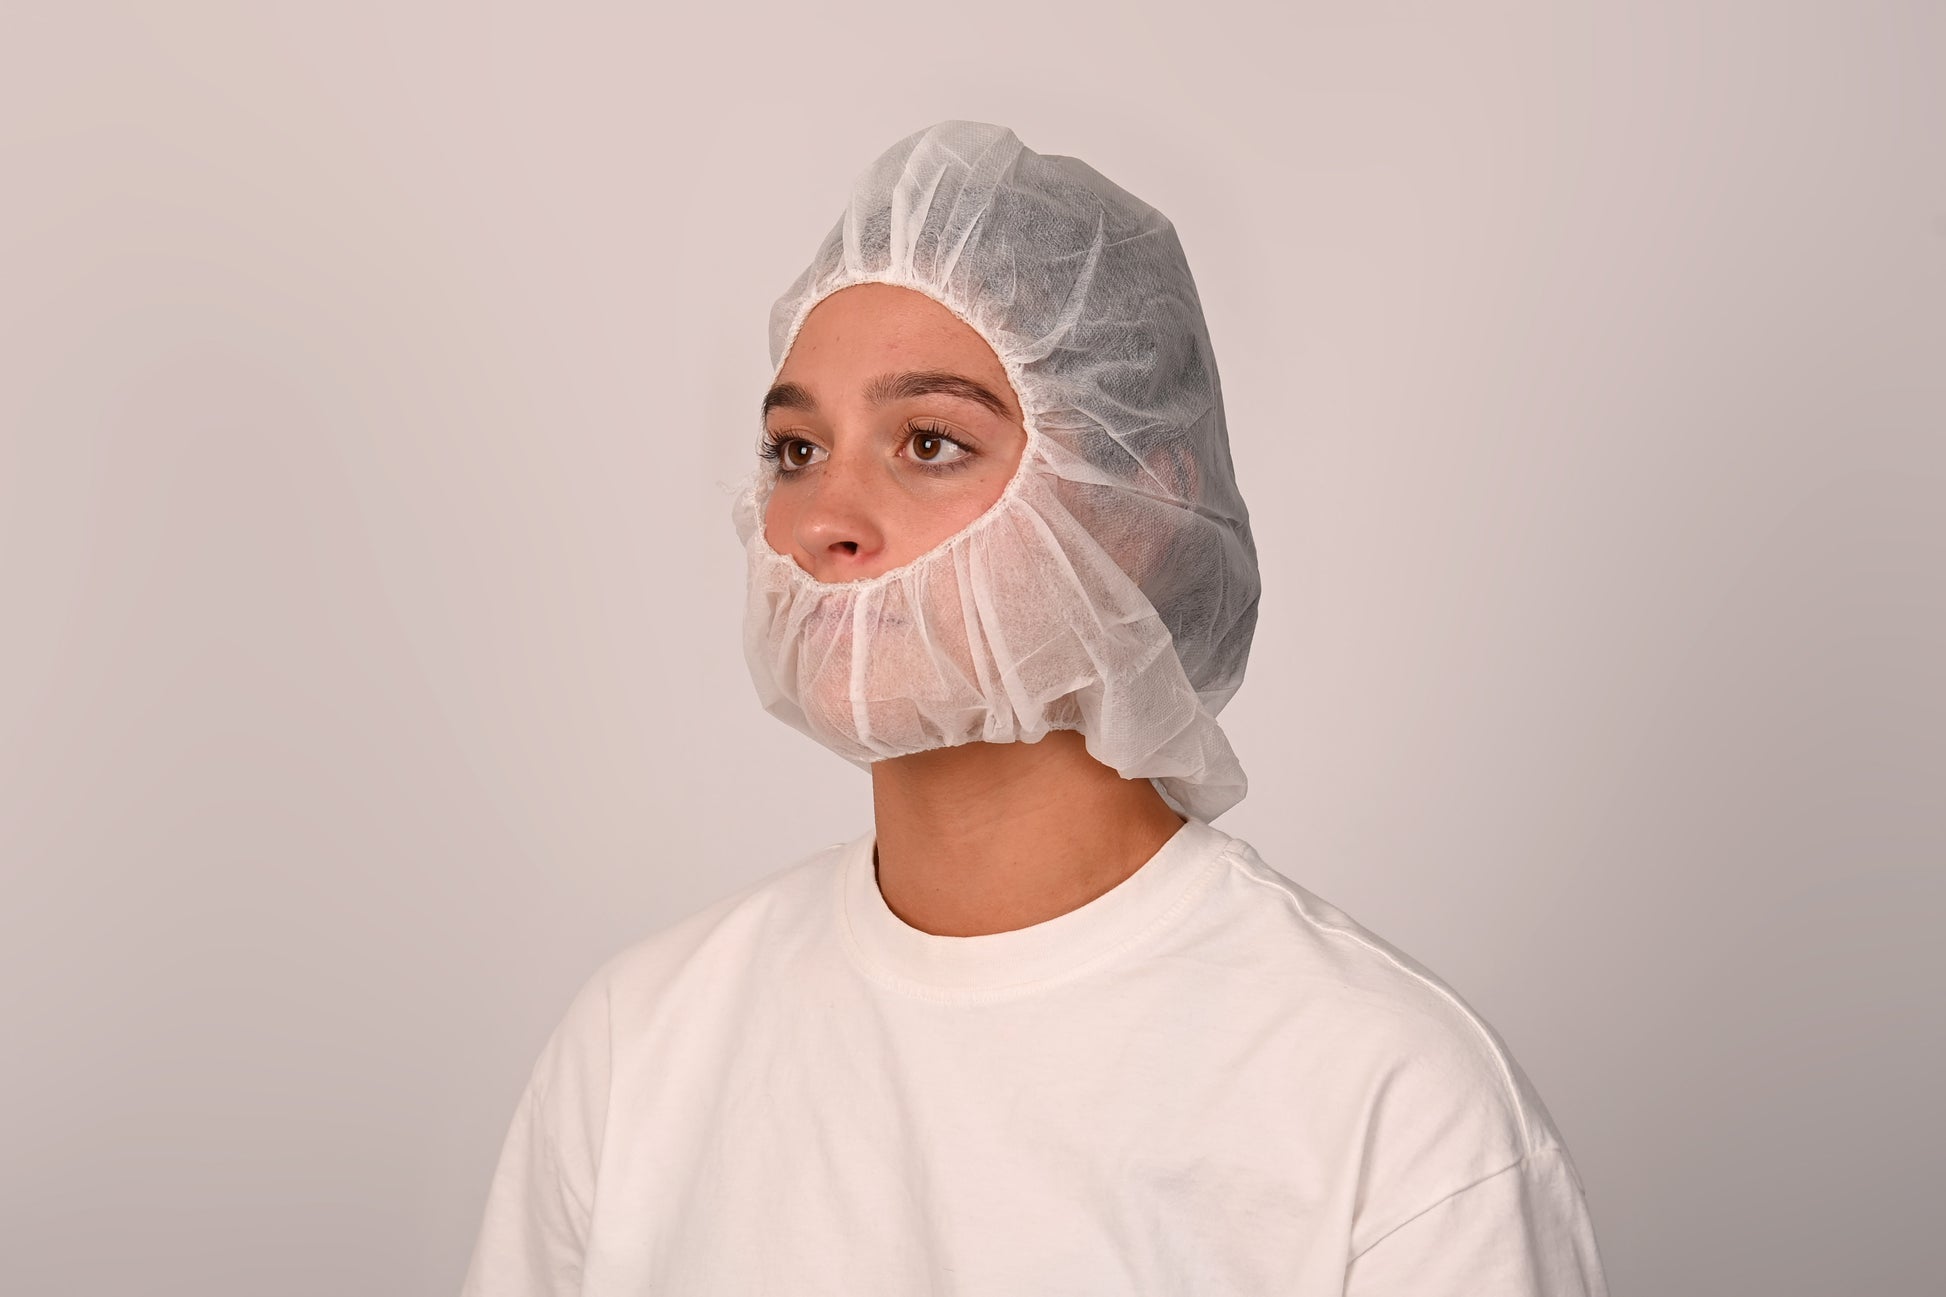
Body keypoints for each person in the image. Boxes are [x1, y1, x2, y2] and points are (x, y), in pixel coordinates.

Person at [460, 120, 1611, 1295]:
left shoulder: (1387, 1114)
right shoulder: (640, 1050)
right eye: (795, 449)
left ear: (1137, 505)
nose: (823, 520)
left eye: (928, 441)